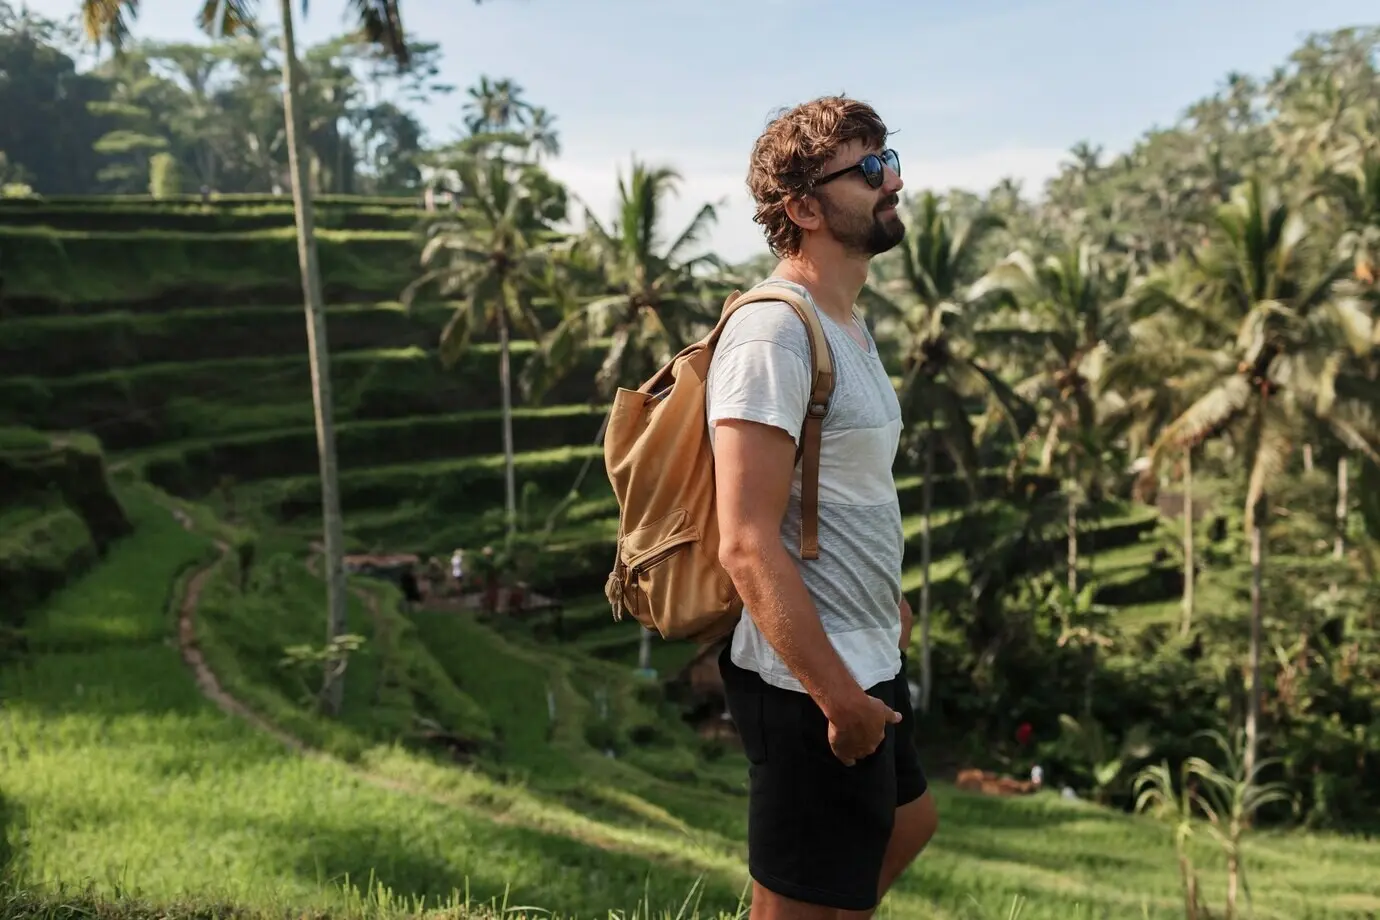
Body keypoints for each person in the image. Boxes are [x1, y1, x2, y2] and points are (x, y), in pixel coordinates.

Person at [708, 95, 938, 918]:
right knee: (802, 902)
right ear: (803, 207)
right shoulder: (774, 333)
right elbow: (745, 542)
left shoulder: (849, 325)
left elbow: (844, 492)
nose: (893, 181)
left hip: (868, 650)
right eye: (869, 168)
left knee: (909, 825)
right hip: (808, 681)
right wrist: (836, 696)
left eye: (891, 161)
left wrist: (889, 601)